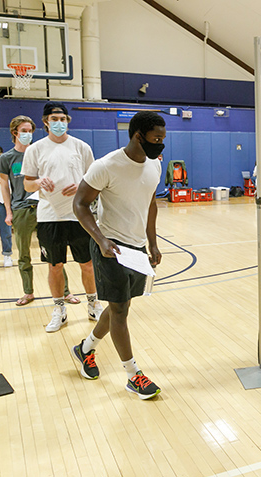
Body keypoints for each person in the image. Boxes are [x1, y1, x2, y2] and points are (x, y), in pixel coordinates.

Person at [71, 111, 165, 400]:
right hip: (110, 248)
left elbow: (150, 205)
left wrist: (152, 242)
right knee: (120, 311)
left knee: (118, 306)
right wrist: (100, 240)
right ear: (138, 136)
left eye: (163, 138)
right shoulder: (106, 166)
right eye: (156, 138)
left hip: (137, 249)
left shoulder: (154, 166)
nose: (161, 144)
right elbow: (80, 205)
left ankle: (85, 348)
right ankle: (132, 375)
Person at [23, 101, 102, 332]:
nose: (59, 123)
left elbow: (94, 181)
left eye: (63, 119)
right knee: (54, 265)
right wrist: (38, 182)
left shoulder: (82, 147)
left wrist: (80, 186)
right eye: (54, 119)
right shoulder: (35, 149)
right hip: (50, 215)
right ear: (46, 122)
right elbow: (27, 184)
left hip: (79, 214)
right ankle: (59, 309)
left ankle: (93, 303)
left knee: (87, 264)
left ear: (68, 121)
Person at [0, 115, 80, 306]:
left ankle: (65, 292)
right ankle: (28, 292)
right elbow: (4, 187)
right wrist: (8, 212)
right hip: (21, 209)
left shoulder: (42, 152)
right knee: (24, 253)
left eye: (30, 131)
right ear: (14, 132)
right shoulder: (6, 158)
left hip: (47, 207)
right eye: (24, 131)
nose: (28, 134)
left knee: (56, 253)